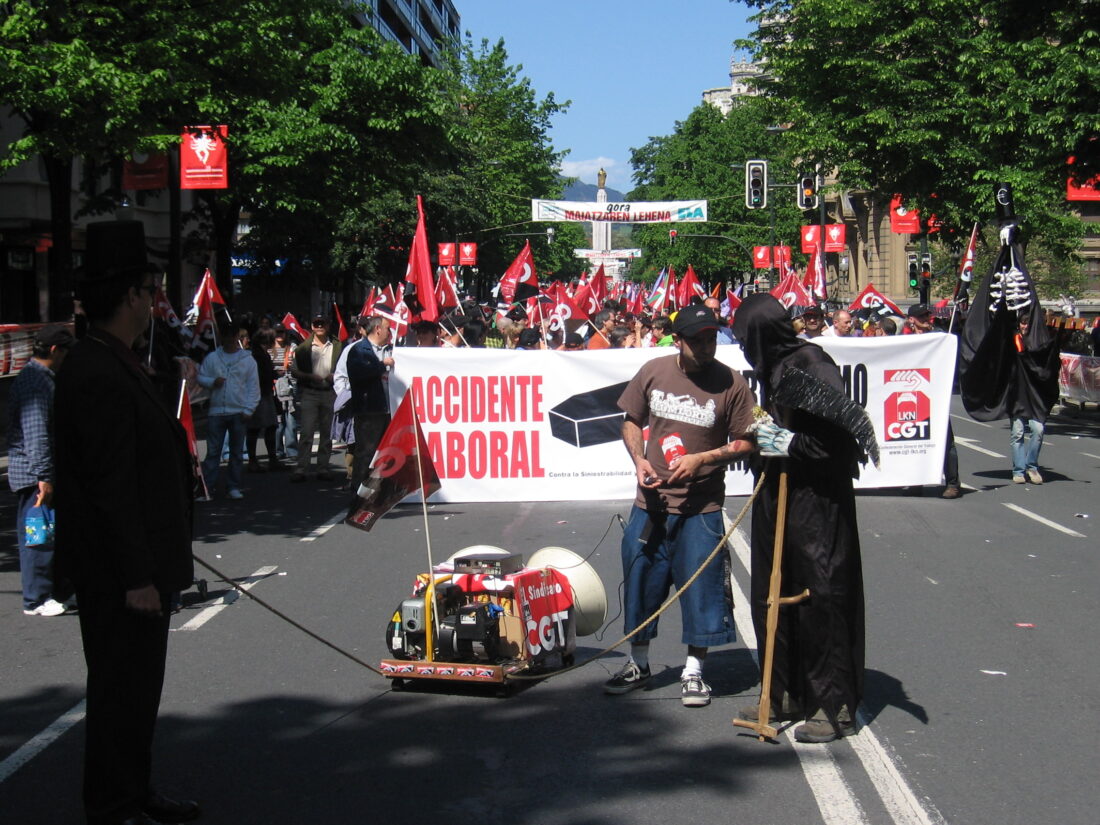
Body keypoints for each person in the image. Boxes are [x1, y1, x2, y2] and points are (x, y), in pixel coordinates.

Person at [54, 220, 200, 825]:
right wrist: (138, 575)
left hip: (138, 565)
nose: (154, 301)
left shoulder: (114, 361)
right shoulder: (94, 370)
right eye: (150, 289)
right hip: (121, 577)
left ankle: (134, 791)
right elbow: (109, 488)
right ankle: (112, 804)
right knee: (120, 694)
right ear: (133, 296)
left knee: (138, 694)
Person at [732, 293, 866, 744]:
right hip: (778, 490)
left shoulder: (811, 363)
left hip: (816, 500)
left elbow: (840, 445)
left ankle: (833, 702)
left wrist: (790, 443)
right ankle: (784, 689)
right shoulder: (774, 368)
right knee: (773, 587)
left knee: (819, 592)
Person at [606, 305, 756, 707]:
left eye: (712, 338)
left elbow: (748, 441)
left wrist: (702, 460)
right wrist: (638, 461)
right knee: (639, 583)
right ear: (680, 341)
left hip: (701, 509)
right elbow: (630, 420)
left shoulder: (734, 384)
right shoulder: (654, 370)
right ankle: (638, 663)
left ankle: (694, 673)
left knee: (702, 592)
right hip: (650, 505)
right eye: (698, 340)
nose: (707, 347)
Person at [9, 324, 75, 616]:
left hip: (38, 472)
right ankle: (35, 599)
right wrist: (44, 477)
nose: (66, 358)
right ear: (53, 350)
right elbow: (36, 434)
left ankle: (55, 590)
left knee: (50, 533)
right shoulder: (37, 382)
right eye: (65, 352)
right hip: (33, 475)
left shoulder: (40, 378)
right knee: (37, 537)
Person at [196, 318, 260, 500]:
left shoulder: (247, 360)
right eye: (226, 336)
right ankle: (208, 487)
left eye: (233, 336)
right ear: (222, 338)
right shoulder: (213, 358)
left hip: (238, 411)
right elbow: (201, 377)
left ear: (237, 337)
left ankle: (233, 486)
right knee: (213, 452)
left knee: (236, 452)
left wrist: (249, 409)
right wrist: (211, 382)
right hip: (216, 411)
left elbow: (252, 387)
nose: (230, 339)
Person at [907, 304, 960, 498]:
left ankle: (953, 483)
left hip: (936, 398)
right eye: (921, 316)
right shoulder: (906, 341)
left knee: (946, 442)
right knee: (912, 441)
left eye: (927, 315)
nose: (926, 319)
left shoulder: (940, 337)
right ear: (911, 320)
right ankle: (914, 482)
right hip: (913, 399)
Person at [344, 316, 394, 489]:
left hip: (389, 409)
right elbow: (358, 374)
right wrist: (382, 365)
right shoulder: (358, 350)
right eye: (388, 328)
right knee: (366, 452)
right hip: (369, 410)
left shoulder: (391, 350)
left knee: (387, 453)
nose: (390, 332)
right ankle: (359, 491)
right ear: (378, 329)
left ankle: (380, 490)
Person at [290, 316, 342, 481]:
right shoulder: (303, 348)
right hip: (310, 392)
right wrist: (310, 376)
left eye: (322, 324)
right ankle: (301, 468)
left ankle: (323, 467)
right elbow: (293, 371)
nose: (319, 326)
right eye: (316, 324)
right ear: (312, 327)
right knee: (306, 432)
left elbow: (344, 367)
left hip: (329, 392)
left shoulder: (337, 345)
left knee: (326, 433)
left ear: (328, 325)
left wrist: (336, 376)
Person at [1010, 314, 1046, 484]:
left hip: (1034, 397)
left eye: (1028, 324)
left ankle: (1031, 466)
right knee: (1018, 433)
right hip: (1017, 395)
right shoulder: (1014, 341)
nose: (1025, 326)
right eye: (1023, 323)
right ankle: (1019, 470)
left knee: (1038, 430)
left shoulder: (1039, 343)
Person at [246, 329, 281, 472]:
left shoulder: (259, 353)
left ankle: (268, 459)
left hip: (264, 392)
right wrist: (273, 374)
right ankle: (255, 460)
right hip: (258, 393)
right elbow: (260, 374)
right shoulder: (256, 355)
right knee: (256, 427)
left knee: (269, 426)